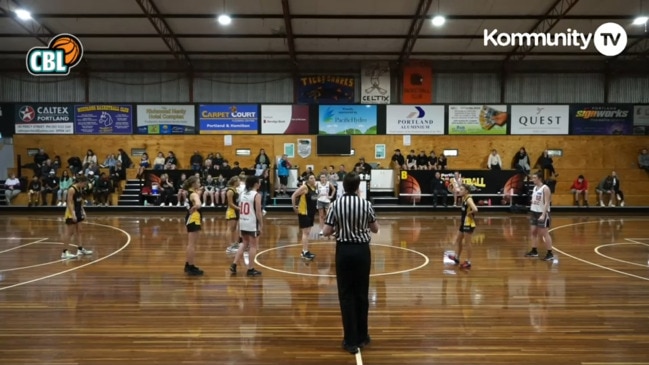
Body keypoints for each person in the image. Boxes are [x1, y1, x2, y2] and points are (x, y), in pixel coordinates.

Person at [322, 172, 379, 355]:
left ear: (342, 187)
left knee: (346, 295)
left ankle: (350, 340)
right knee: (362, 294)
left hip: (344, 251)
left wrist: (340, 227)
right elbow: (375, 229)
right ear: (357, 187)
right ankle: (363, 336)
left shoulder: (335, 205)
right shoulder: (366, 204)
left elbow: (326, 231)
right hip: (362, 251)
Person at [230, 175, 263, 277]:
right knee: (253, 246)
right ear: (256, 184)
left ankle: (234, 264)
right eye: (259, 182)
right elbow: (258, 212)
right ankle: (250, 269)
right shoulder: (256, 195)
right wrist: (261, 224)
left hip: (243, 221)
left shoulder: (243, 193)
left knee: (244, 244)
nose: (260, 184)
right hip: (252, 223)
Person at [61, 175, 94, 259]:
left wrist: (83, 210)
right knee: (70, 232)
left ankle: (80, 249)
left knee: (80, 230)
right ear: (81, 182)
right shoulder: (72, 189)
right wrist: (73, 213)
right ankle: (64, 252)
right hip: (71, 212)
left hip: (78, 211)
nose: (85, 186)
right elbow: (69, 202)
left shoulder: (80, 188)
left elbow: (80, 201)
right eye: (84, 184)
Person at [525, 171, 555, 261]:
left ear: (540, 178)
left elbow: (547, 202)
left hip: (542, 213)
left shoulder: (545, 188)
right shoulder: (535, 188)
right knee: (533, 232)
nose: (533, 179)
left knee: (544, 233)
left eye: (534, 178)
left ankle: (550, 253)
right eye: (532, 178)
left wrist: (543, 214)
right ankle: (534, 251)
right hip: (534, 211)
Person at [446, 184, 477, 269]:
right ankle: (457, 258)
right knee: (458, 240)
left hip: (468, 223)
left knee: (468, 243)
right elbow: (457, 193)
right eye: (460, 189)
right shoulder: (464, 197)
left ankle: (468, 262)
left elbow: (475, 209)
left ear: (466, 191)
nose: (460, 190)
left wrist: (469, 213)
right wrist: (451, 190)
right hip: (463, 223)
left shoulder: (468, 199)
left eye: (462, 189)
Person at [291, 174, 318, 261]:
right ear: (307, 179)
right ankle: (304, 252)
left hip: (311, 213)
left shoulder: (314, 188)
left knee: (308, 232)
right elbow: (293, 195)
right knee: (305, 232)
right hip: (304, 212)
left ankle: (305, 251)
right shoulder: (304, 187)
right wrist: (294, 207)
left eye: (314, 178)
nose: (313, 179)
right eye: (311, 178)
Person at [183, 176, 204, 276]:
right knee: (192, 244)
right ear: (193, 184)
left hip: (191, 217)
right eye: (198, 182)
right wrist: (195, 206)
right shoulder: (194, 194)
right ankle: (190, 267)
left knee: (191, 244)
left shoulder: (189, 192)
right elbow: (199, 204)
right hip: (193, 218)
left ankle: (188, 264)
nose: (200, 183)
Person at [225, 176, 241, 254]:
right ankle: (229, 246)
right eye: (238, 181)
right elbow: (230, 203)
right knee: (230, 228)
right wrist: (239, 208)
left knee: (234, 228)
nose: (239, 182)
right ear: (235, 182)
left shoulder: (235, 190)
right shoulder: (230, 191)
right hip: (231, 211)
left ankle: (234, 244)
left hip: (235, 210)